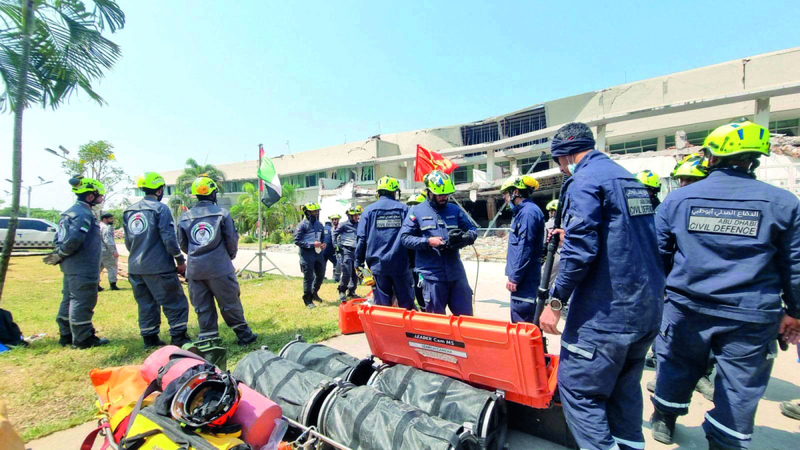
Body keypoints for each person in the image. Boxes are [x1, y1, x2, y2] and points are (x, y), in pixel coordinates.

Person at [651, 120, 800, 449]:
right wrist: (795, 311)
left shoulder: (678, 201)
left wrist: (661, 300)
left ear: (711, 157)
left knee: (675, 365)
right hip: (751, 315)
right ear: (754, 159)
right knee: (739, 386)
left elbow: (656, 258)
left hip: (686, 307)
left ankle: (664, 419)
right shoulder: (784, 203)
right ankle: (725, 441)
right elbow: (794, 265)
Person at [538, 122, 665, 450]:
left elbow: (580, 252)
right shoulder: (628, 179)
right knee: (624, 391)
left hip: (607, 315)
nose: (561, 169)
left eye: (559, 162)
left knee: (579, 391)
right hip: (646, 312)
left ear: (565, 156)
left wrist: (556, 303)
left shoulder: (585, 180)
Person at [178, 176, 257, 346]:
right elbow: (231, 240)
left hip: (195, 270)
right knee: (230, 302)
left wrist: (196, 255)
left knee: (202, 305)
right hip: (219, 267)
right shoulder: (222, 213)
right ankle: (244, 336)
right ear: (213, 193)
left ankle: (208, 340)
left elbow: (183, 244)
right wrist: (228, 256)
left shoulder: (185, 217)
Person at [123, 172, 191, 349]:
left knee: (146, 303)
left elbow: (129, 242)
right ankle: (178, 337)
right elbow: (168, 238)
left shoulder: (129, 211)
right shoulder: (160, 209)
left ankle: (150, 338)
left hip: (136, 267)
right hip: (158, 267)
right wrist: (179, 260)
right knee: (175, 301)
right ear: (160, 190)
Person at [44, 177, 110, 349]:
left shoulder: (69, 212)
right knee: (82, 301)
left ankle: (66, 334)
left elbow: (58, 237)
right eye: (100, 196)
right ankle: (82, 339)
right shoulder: (83, 214)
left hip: (71, 265)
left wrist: (60, 254)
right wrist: (61, 253)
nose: (101, 199)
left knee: (69, 299)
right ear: (90, 197)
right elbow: (74, 239)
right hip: (82, 266)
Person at [400, 171, 478, 315]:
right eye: (441, 194)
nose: (444, 198)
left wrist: (463, 238)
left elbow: (473, 230)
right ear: (429, 192)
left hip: (456, 274)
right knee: (436, 323)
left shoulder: (454, 210)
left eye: (447, 194)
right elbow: (405, 238)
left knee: (466, 318)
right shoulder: (416, 212)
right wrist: (428, 241)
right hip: (432, 277)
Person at [357, 176, 415, 309]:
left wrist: (358, 263)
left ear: (378, 193)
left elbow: (361, 239)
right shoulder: (405, 210)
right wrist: (413, 263)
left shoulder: (368, 211)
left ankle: (387, 329)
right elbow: (411, 238)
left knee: (383, 307)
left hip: (378, 267)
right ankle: (408, 330)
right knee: (407, 305)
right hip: (401, 266)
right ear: (395, 192)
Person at [501, 175, 545, 323]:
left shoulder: (527, 213)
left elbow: (524, 247)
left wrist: (515, 277)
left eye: (506, 194)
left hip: (525, 278)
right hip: (526, 275)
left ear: (516, 192)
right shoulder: (524, 212)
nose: (506, 199)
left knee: (522, 321)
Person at [294, 202, 325, 309]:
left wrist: (323, 243)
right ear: (307, 212)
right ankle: (307, 300)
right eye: (313, 211)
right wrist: (311, 245)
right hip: (307, 254)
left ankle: (314, 293)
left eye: (316, 211)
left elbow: (323, 237)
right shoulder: (302, 225)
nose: (315, 213)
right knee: (309, 277)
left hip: (318, 253)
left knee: (320, 275)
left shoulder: (319, 224)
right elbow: (297, 241)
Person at [333, 206, 361, 302]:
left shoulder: (360, 224)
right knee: (347, 272)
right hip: (346, 251)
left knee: (355, 273)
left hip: (356, 251)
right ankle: (342, 290)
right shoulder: (343, 225)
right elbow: (334, 234)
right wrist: (336, 245)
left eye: (358, 215)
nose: (357, 217)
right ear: (349, 216)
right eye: (355, 215)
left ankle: (352, 291)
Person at [406, 193, 427, 310]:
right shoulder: (407, 226)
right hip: (411, 267)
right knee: (417, 290)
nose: (413, 208)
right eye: (411, 205)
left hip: (426, 266)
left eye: (416, 205)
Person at [99, 213, 120, 291]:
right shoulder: (106, 228)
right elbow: (108, 240)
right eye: (110, 219)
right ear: (104, 219)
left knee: (98, 268)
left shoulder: (98, 226)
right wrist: (113, 251)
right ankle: (113, 285)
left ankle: (96, 285)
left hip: (98, 251)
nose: (112, 220)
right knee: (112, 267)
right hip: (107, 251)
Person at [323, 214, 341, 283]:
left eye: (335, 219)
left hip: (324, 250)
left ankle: (322, 276)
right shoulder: (331, 229)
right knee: (336, 262)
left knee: (323, 264)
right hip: (331, 250)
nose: (334, 221)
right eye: (333, 220)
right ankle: (335, 277)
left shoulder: (322, 228)